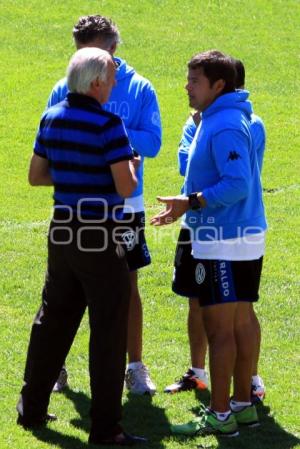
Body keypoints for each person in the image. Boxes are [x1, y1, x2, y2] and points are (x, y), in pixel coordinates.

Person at [17, 47, 146, 446]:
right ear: (95, 83)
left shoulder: (51, 117)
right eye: (110, 79)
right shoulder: (109, 124)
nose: (113, 85)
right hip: (99, 232)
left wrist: (76, 171)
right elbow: (126, 187)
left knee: (52, 318)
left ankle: (32, 408)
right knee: (108, 327)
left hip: (63, 230)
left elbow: (36, 176)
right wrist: (132, 166)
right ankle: (107, 429)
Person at [151, 50, 267, 437]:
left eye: (194, 80)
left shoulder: (225, 125)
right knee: (242, 320)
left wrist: (192, 202)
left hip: (224, 238)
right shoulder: (222, 118)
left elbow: (238, 184)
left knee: (221, 330)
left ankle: (220, 415)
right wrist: (187, 206)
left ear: (218, 85)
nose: (187, 86)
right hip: (241, 233)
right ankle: (242, 405)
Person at [48, 15, 161, 395]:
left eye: (89, 52)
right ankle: (55, 369)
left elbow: (153, 143)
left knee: (127, 285)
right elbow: (47, 143)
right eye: (78, 52)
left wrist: (105, 131)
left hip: (125, 205)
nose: (81, 61)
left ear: (112, 50)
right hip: (74, 203)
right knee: (63, 290)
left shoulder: (140, 87)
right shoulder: (63, 86)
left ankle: (134, 366)